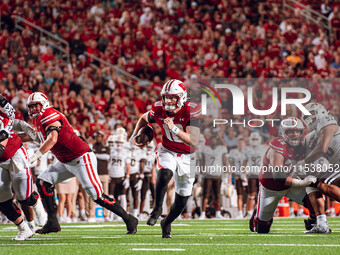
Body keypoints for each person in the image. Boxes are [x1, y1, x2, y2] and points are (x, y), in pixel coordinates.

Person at [25, 92, 138, 234]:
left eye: (36, 105)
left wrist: (36, 155)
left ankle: (129, 219)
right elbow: (36, 137)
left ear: (44, 104)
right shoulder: (40, 120)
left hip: (81, 158)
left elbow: (52, 139)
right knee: (43, 182)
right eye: (31, 106)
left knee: (97, 196)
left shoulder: (49, 114)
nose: (33, 109)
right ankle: (52, 222)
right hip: (66, 161)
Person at [131, 79, 201, 238]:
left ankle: (167, 222)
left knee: (182, 199)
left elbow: (194, 139)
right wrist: (135, 134)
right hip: (167, 149)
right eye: (166, 97)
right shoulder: (158, 108)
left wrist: (174, 128)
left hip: (188, 155)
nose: (168, 101)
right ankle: (157, 208)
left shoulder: (191, 110)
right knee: (165, 172)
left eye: (172, 98)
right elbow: (144, 118)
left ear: (182, 97)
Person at [250, 117, 330, 234]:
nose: (295, 134)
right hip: (271, 188)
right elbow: (278, 175)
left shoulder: (304, 146)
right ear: (284, 133)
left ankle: (312, 223)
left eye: (298, 131)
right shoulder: (277, 145)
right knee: (262, 229)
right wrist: (302, 182)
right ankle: (257, 215)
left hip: (291, 185)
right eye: (291, 131)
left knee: (318, 204)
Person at [0, 96, 46, 240]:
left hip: (14, 154)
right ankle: (23, 229)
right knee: (2, 200)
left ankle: (38, 207)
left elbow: (2, 143)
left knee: (23, 196)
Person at [199, 135, 227, 219]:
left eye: (215, 140)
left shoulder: (221, 149)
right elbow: (202, 161)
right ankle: (203, 213)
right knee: (205, 195)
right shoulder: (205, 149)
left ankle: (218, 213)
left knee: (217, 195)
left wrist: (226, 174)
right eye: (212, 139)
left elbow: (224, 161)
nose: (214, 141)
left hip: (217, 174)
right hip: (208, 174)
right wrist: (201, 172)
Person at [243, 132, 267, 218]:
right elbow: (244, 162)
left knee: (262, 194)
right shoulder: (247, 149)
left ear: (260, 139)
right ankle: (249, 212)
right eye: (253, 139)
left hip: (261, 174)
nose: (255, 141)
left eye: (256, 139)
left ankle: (258, 210)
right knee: (251, 194)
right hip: (251, 174)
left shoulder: (264, 148)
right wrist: (243, 174)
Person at [228, 138, 247, 219]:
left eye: (242, 143)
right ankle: (240, 213)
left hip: (247, 176)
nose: (240, 145)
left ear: (245, 144)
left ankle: (249, 212)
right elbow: (231, 165)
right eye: (239, 143)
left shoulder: (248, 152)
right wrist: (229, 176)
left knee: (250, 195)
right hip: (238, 175)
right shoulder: (233, 152)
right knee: (239, 195)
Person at [139, 141, 156, 219]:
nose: (149, 149)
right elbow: (141, 164)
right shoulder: (143, 154)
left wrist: (153, 177)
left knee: (154, 195)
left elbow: (154, 167)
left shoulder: (154, 155)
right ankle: (140, 213)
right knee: (143, 196)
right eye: (148, 147)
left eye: (150, 147)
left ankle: (155, 213)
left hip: (150, 175)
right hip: (144, 175)